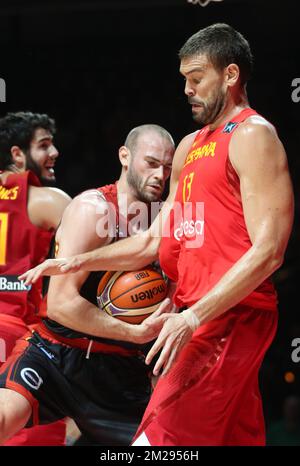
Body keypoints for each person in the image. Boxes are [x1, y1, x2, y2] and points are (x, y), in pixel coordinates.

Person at [20, 23, 295, 446]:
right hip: (193, 314)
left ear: (231, 75)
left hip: (226, 317)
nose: (187, 89)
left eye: (197, 78)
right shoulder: (187, 147)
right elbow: (153, 240)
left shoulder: (252, 135)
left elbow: (269, 252)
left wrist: (194, 316)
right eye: (184, 79)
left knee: (156, 443)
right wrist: (78, 261)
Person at [0, 123, 175, 445]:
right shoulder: (92, 208)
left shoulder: (168, 218)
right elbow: (61, 304)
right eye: (151, 163)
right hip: (55, 353)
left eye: (168, 167)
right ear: (125, 156)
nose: (160, 175)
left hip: (121, 371)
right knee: (3, 418)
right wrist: (135, 333)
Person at [0, 112, 71, 445]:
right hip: (17, 335)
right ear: (17, 154)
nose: (54, 152)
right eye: (44, 145)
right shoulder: (46, 200)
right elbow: (97, 249)